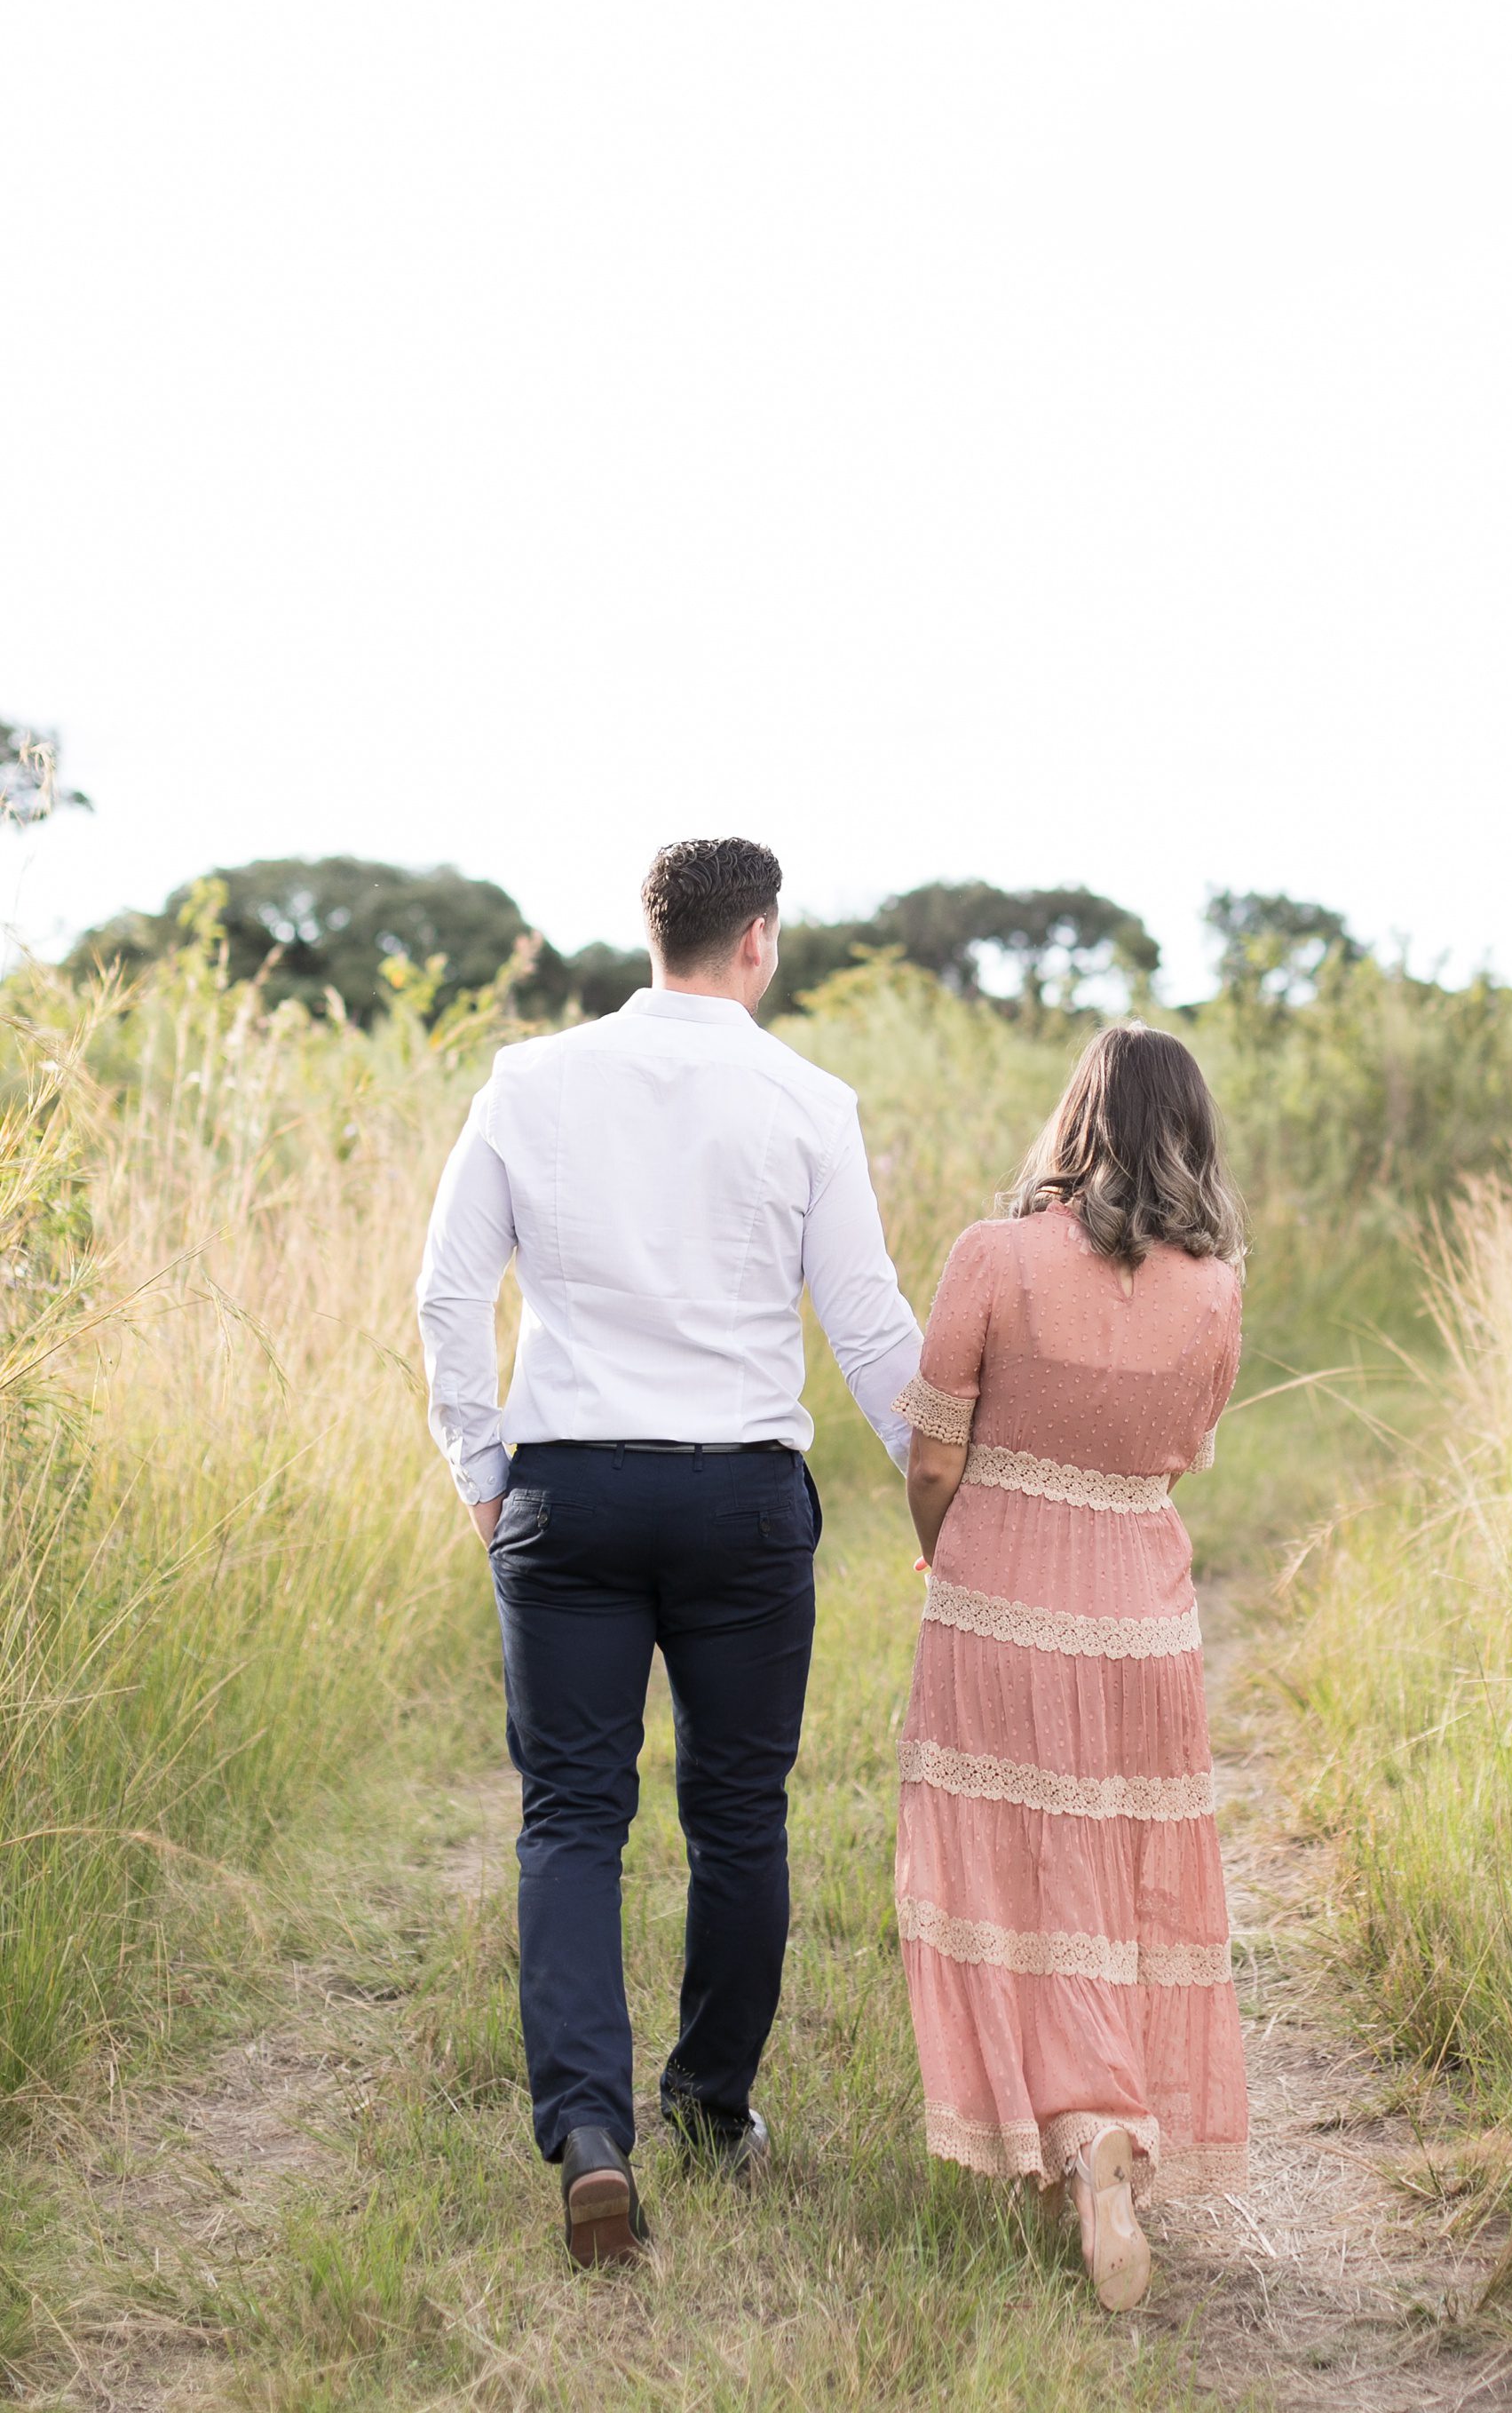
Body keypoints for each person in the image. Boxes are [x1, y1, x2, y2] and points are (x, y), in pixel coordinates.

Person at [416, 837, 921, 2266]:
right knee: (739, 1815)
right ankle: (709, 2107)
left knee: (573, 1816)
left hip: (567, 1493)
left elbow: (446, 1295)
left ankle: (589, 2135)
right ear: (757, 940)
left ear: (653, 934)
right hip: (741, 1505)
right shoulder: (809, 1102)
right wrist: (946, 1488)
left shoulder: (530, 1082)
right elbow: (872, 1330)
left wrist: (480, 1468)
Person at [892, 1023, 1248, 2311]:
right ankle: (1104, 2126)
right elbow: (1187, 1447)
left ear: (1074, 1121)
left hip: (997, 1599)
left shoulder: (993, 1257)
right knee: (1115, 1882)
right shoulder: (1215, 1290)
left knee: (1016, 1875)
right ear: (1190, 1135)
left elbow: (933, 1451)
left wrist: (948, 1552)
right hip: (1142, 1618)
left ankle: (1078, 2131)